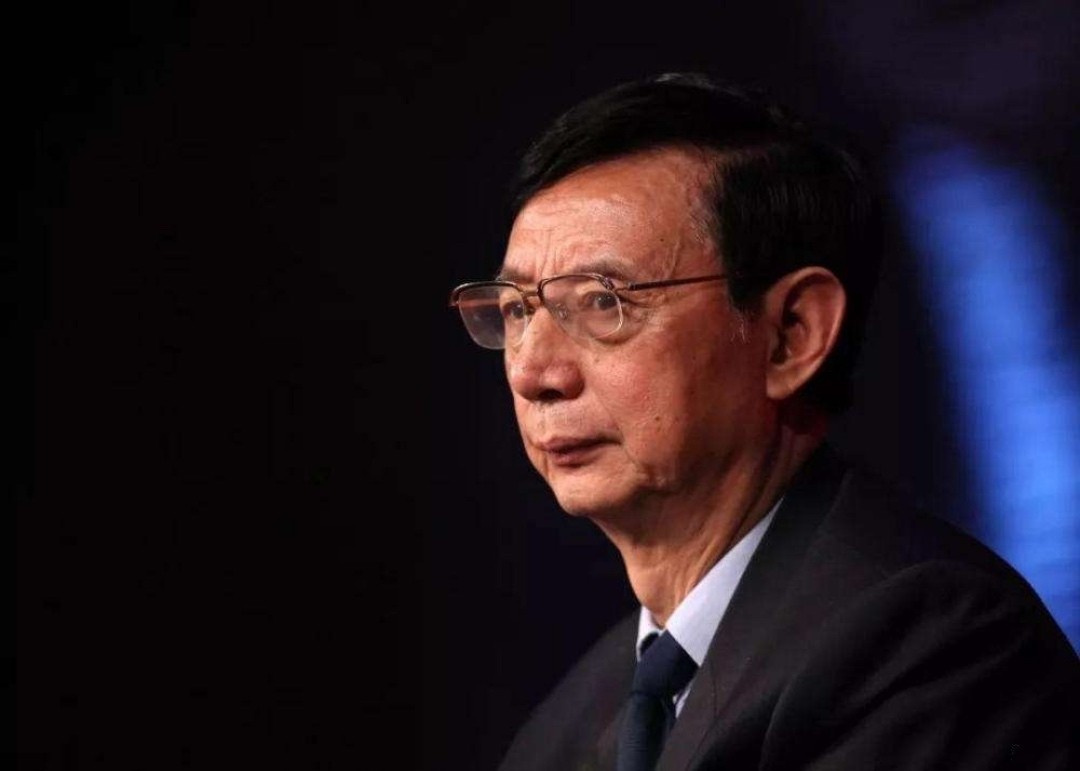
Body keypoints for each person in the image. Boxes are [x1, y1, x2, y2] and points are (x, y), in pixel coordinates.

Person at [447, 73, 1079, 770]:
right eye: (516, 310)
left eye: (603, 302)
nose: (535, 373)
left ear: (791, 334)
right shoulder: (564, 728)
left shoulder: (930, 645)